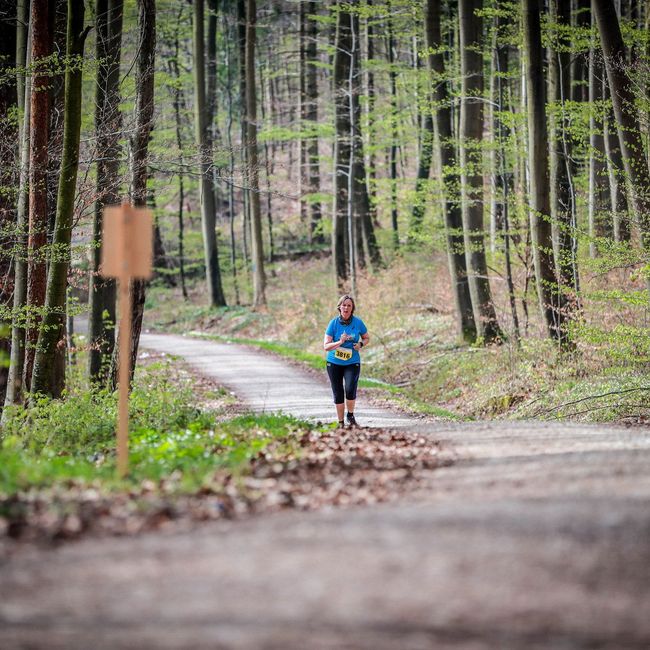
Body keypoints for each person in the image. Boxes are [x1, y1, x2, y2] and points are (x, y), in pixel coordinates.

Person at [323, 294, 369, 428]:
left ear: (352, 308)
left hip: (352, 362)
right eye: (344, 305)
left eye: (349, 305)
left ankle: (350, 415)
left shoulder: (358, 322)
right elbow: (326, 346)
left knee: (350, 389)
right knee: (338, 392)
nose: (346, 308)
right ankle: (340, 422)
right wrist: (340, 342)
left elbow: (367, 338)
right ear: (340, 307)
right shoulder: (333, 323)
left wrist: (360, 344)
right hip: (334, 362)